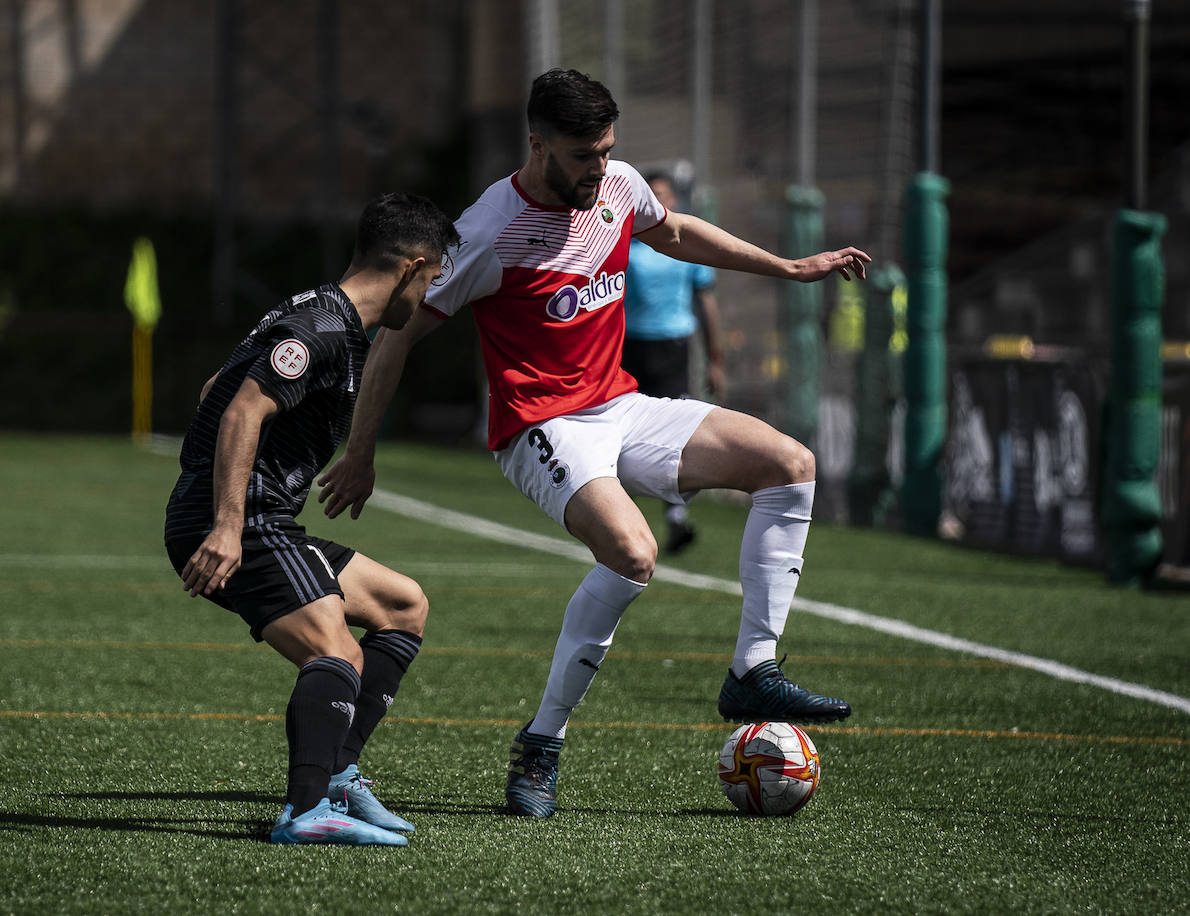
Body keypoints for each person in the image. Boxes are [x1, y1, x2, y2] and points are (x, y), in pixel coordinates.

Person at [318, 69, 868, 819]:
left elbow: (669, 230)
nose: (599, 170)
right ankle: (541, 745)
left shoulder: (618, 187)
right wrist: (361, 451)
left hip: (619, 404)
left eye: (607, 151)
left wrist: (786, 266)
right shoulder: (488, 230)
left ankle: (754, 669)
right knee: (633, 553)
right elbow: (398, 336)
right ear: (537, 145)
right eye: (583, 155)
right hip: (538, 424)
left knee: (789, 465)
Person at [164, 191, 459, 845]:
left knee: (402, 605)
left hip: (261, 518)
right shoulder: (323, 329)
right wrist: (227, 522)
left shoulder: (319, 315)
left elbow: (215, 388)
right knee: (338, 649)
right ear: (412, 267)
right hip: (243, 523)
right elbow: (241, 410)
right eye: (435, 275)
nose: (432, 290)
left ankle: (339, 777)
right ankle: (304, 812)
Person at [622, 169, 724, 554]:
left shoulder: (685, 245)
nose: (658, 202)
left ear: (675, 201)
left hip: (674, 347)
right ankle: (619, 521)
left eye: (664, 194)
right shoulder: (625, 242)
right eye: (652, 195)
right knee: (624, 435)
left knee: (676, 438)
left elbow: (707, 303)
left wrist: (717, 359)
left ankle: (676, 518)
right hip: (629, 346)